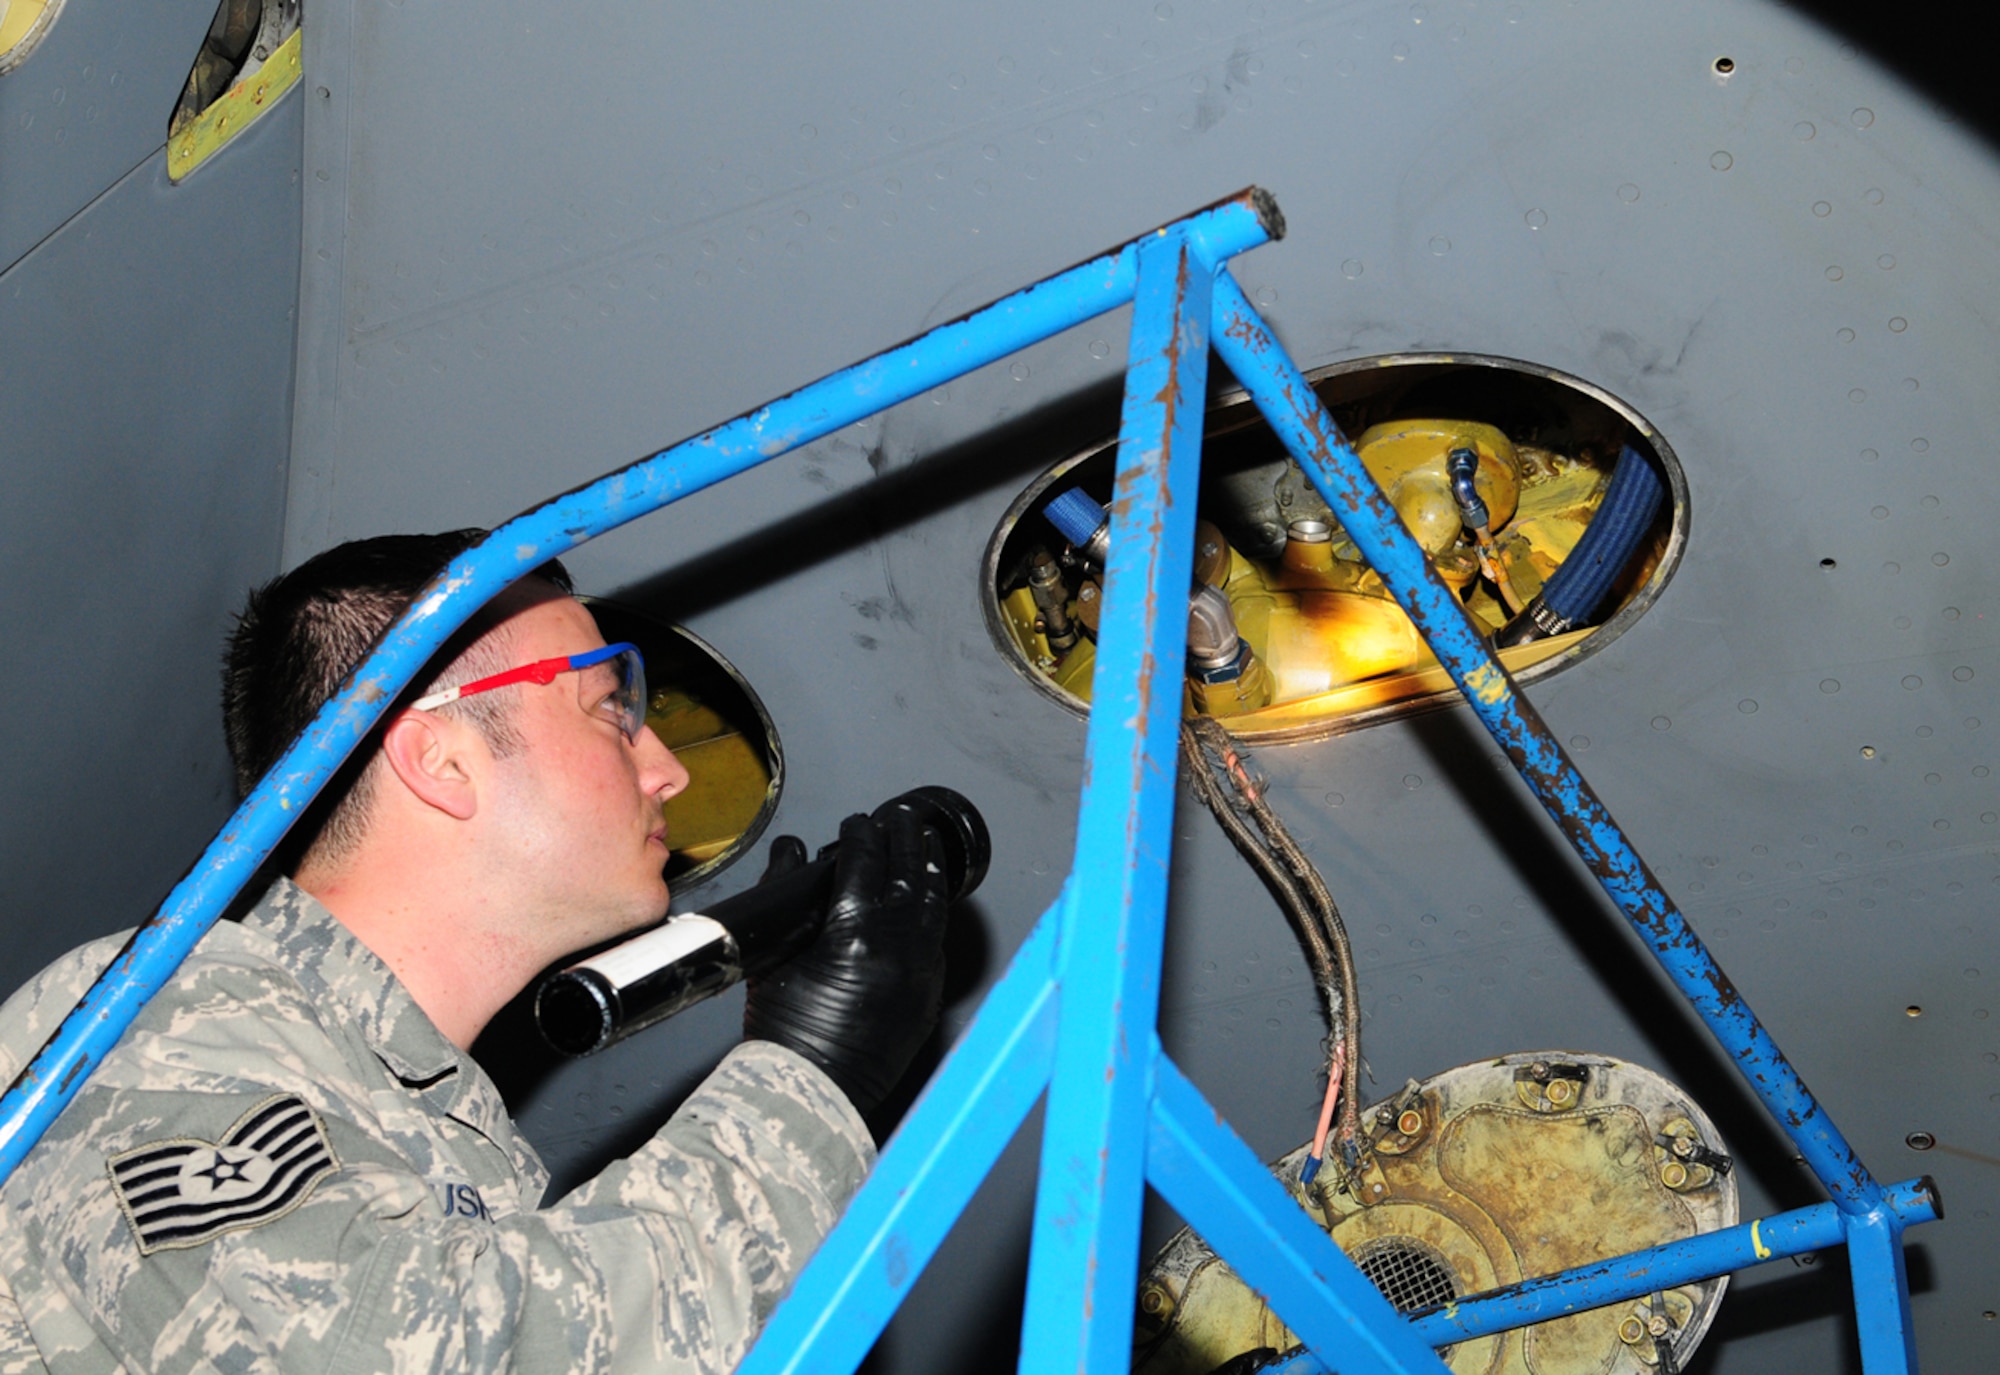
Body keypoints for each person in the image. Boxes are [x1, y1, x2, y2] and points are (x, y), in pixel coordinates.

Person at [0, 530, 951, 1373]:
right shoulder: (158, 1009)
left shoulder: (464, 1149)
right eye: (610, 705)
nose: (668, 767)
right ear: (442, 758)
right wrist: (803, 1084)